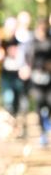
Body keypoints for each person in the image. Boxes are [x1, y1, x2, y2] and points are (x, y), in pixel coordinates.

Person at [25, 19, 51, 147]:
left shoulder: (49, 40)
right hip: (36, 80)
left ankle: (48, 125)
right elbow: (27, 58)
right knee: (40, 105)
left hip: (49, 79)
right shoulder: (32, 42)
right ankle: (43, 133)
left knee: (49, 103)